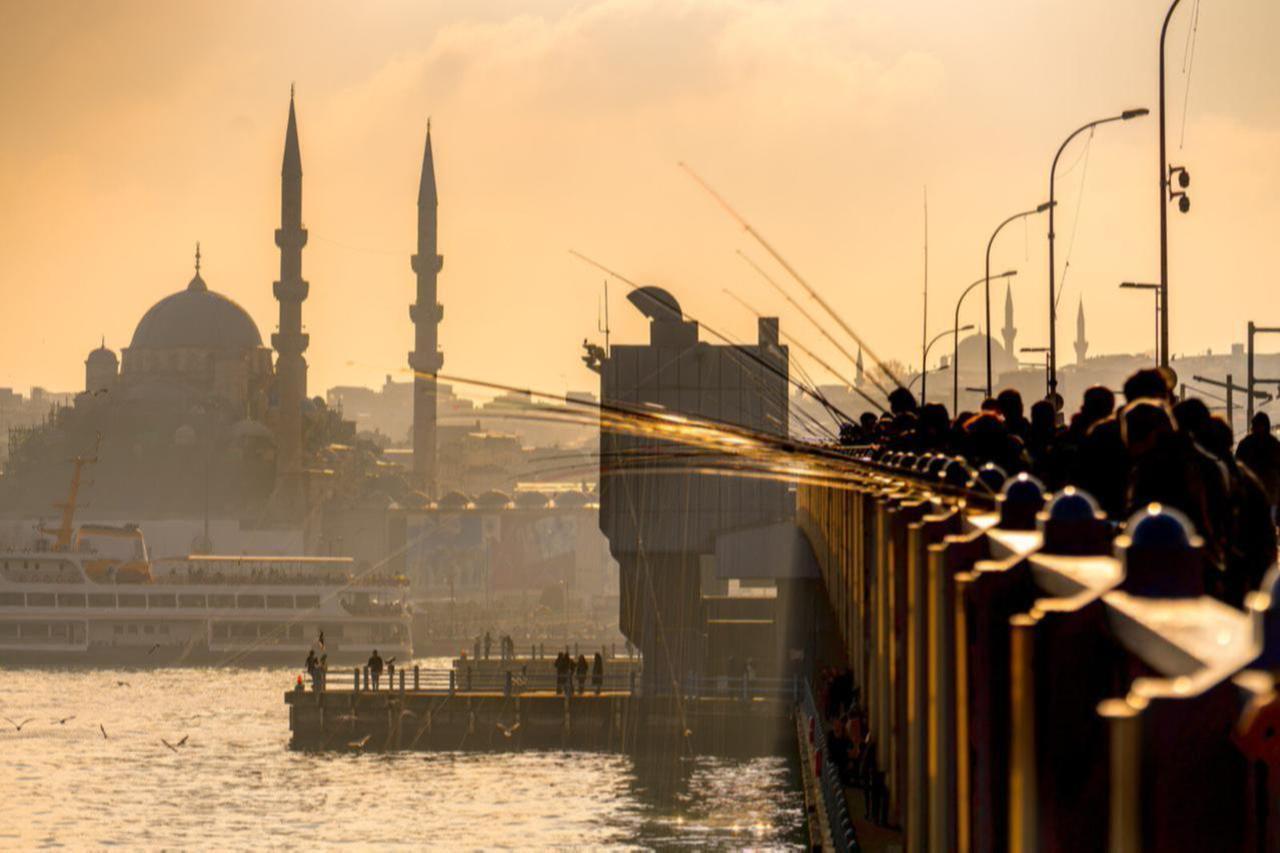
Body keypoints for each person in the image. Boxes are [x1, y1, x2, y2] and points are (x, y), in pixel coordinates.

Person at [1237, 412, 1280, 513]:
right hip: (1269, 493)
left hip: (1252, 493)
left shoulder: (1245, 444)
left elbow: (1237, 467)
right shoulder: (1274, 444)